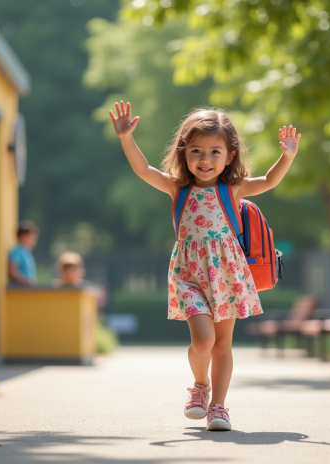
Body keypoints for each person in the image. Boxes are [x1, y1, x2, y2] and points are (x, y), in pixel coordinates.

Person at [109, 101, 301, 431]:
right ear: (184, 153)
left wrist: (288, 155)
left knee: (223, 344)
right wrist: (127, 137)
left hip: (226, 273)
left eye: (215, 152)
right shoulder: (178, 188)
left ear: (230, 155)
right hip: (189, 275)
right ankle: (200, 387)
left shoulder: (233, 189)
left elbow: (269, 181)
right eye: (196, 150)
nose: (205, 159)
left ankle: (218, 407)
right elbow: (143, 171)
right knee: (202, 342)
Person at [8, 220, 39, 287]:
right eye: (32, 238)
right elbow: (12, 271)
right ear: (23, 236)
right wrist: (26, 281)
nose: (34, 241)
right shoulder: (17, 251)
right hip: (19, 289)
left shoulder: (26, 252)